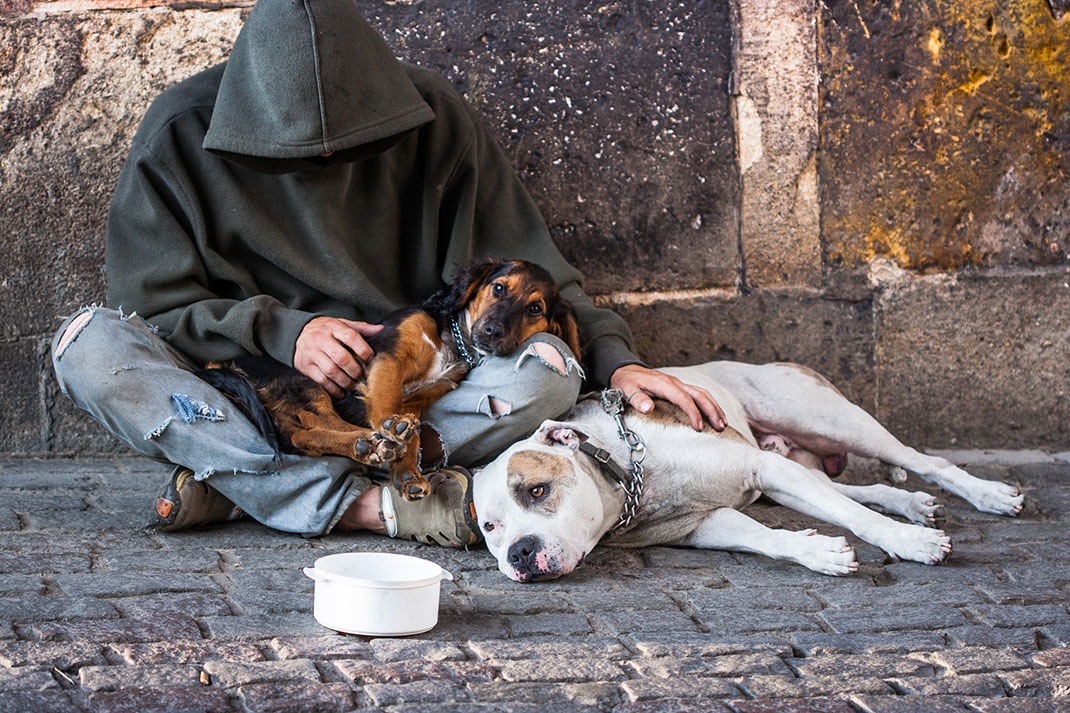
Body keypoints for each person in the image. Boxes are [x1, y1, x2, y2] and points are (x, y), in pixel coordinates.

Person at [51, 0, 725, 546]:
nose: (328, 160)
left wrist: (612, 361)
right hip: (249, 398)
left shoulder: (431, 117)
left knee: (548, 370)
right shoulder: (177, 132)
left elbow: (531, 271)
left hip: (405, 404)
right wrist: (282, 331)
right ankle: (375, 509)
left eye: (348, 145)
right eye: (298, 154)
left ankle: (240, 485)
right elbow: (152, 313)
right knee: (86, 347)